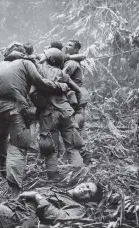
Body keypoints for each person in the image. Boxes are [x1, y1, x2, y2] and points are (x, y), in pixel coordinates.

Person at [0, 41, 69, 197]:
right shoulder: (26, 63)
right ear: (23, 53)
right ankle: (14, 193)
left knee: (1, 139)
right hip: (15, 109)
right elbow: (40, 83)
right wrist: (61, 86)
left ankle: (2, 168)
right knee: (18, 147)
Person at [0, 181, 103, 228]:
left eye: (89, 192)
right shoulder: (59, 189)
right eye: (87, 185)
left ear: (88, 200)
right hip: (9, 207)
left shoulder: (78, 208)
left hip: (18, 216)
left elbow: (59, 218)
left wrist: (38, 197)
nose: (85, 189)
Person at [29, 48, 84, 178]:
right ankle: (80, 176)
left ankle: (53, 178)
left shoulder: (39, 70)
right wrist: (74, 108)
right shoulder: (62, 73)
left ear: (48, 58)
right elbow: (78, 90)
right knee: (72, 147)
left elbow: (31, 92)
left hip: (48, 114)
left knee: (50, 148)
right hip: (66, 112)